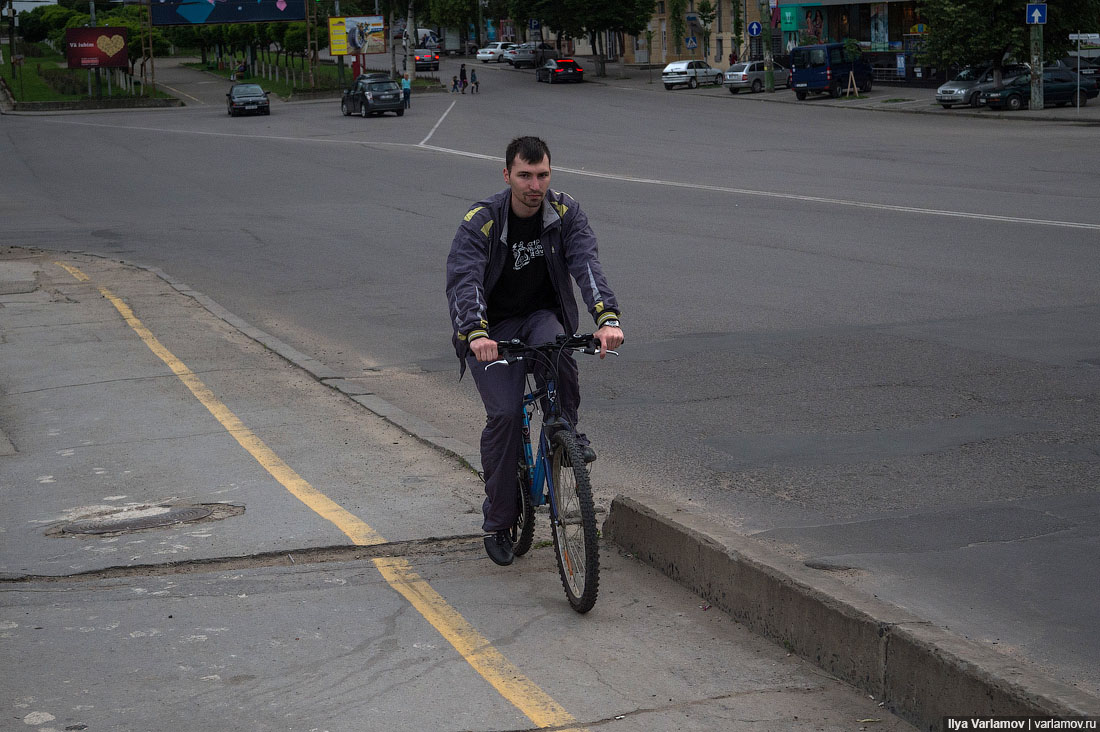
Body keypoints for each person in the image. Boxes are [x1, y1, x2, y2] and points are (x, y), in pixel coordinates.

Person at [445, 136, 624, 567]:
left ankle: (567, 435)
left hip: (541, 315)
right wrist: (474, 333)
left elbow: (587, 264)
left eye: (542, 175)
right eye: (525, 175)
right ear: (507, 175)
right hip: (492, 331)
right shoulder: (482, 221)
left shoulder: (565, 212)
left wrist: (607, 318)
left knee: (558, 347)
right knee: (506, 415)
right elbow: (464, 278)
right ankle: (499, 520)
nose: (534, 185)